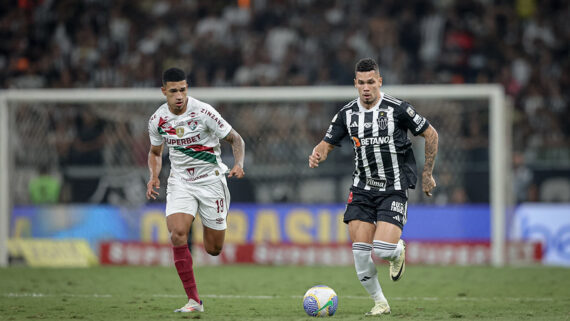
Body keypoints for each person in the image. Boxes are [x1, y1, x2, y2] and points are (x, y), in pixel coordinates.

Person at [308, 58, 438, 316]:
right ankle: (380, 302)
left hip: (393, 188)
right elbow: (327, 143)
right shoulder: (347, 114)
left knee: (382, 249)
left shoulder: (398, 109)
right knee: (359, 252)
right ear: (355, 84)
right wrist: (318, 153)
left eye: (371, 82)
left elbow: (431, 134)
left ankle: (397, 250)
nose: (366, 87)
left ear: (379, 81)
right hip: (362, 189)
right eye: (361, 83)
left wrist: (427, 174)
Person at [146, 67, 245, 313]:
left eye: (183, 89)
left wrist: (239, 164)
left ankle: (207, 218)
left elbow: (236, 139)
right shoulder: (157, 120)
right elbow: (156, 153)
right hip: (180, 182)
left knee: (214, 249)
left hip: (211, 181)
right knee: (178, 233)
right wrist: (154, 175)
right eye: (173, 91)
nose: (179, 95)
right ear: (163, 91)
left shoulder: (203, 112)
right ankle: (194, 300)